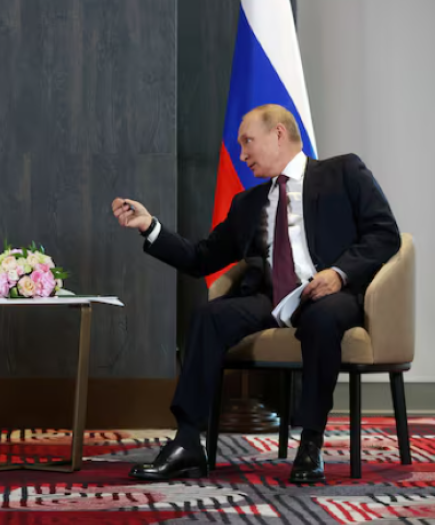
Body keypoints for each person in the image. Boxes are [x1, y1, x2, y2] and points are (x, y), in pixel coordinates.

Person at [112, 104, 400, 484]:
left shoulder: (342, 172)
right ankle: (186, 442)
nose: (242, 154)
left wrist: (339, 274)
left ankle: (310, 443)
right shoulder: (248, 204)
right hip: (271, 298)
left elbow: (384, 233)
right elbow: (201, 257)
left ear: (278, 134)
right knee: (208, 316)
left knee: (321, 319)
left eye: (248, 142)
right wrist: (150, 227)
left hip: (330, 292)